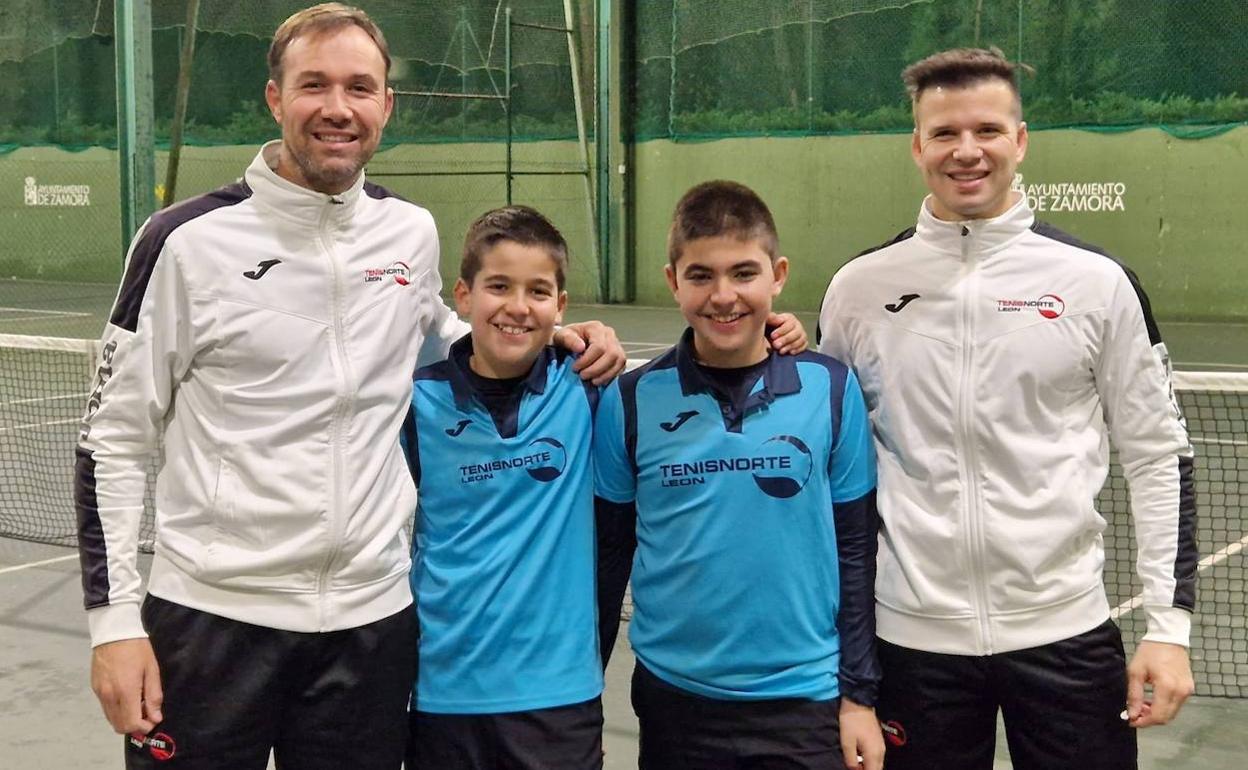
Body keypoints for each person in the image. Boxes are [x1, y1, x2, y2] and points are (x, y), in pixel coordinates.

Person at [73, 5, 630, 769]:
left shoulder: (409, 231)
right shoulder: (183, 242)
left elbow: (431, 322)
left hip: (370, 626)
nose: (338, 108)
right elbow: (112, 438)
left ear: (385, 106)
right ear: (275, 98)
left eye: (360, 87)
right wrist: (114, 626)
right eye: (315, 85)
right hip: (211, 620)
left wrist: (551, 336)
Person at [816, 47, 1197, 769]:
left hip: (1067, 636)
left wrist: (1167, 628)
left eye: (988, 130)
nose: (968, 151)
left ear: (1020, 141)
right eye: (945, 133)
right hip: (911, 644)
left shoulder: (1098, 284)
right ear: (917, 145)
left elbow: (1158, 453)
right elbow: (824, 455)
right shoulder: (858, 291)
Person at [595, 180, 885, 770]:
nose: (723, 295)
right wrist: (581, 692)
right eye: (701, 275)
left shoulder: (831, 389)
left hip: (805, 701)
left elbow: (855, 549)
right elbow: (607, 557)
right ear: (673, 281)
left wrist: (859, 695)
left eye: (744, 273)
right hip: (675, 698)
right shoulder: (629, 402)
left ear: (777, 275)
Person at [401, 205, 610, 769]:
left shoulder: (589, 391)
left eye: (538, 291)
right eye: (499, 286)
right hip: (445, 692)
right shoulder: (416, 404)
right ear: (463, 296)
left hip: (559, 700)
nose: (518, 307)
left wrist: (774, 330)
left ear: (561, 307)